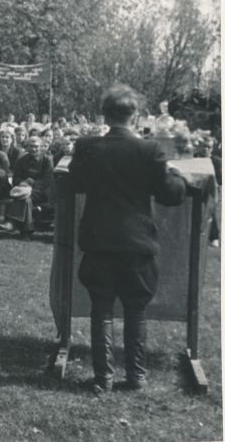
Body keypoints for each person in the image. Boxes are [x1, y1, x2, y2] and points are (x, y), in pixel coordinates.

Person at [68, 83, 186, 394]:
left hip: (98, 239)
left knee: (101, 309)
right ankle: (136, 376)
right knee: (136, 310)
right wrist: (173, 173)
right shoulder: (150, 150)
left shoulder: (87, 146)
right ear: (134, 115)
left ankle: (102, 378)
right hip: (136, 242)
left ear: (105, 114)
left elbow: (74, 181)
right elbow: (171, 195)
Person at [0, 137, 54, 237]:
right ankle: (27, 231)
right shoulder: (22, 160)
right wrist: (23, 182)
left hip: (41, 191)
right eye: (31, 146)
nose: (33, 149)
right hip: (23, 189)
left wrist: (32, 183)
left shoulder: (46, 160)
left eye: (36, 146)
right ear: (27, 147)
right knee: (26, 199)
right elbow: (15, 178)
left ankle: (12, 223)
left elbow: (47, 180)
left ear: (41, 147)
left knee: (24, 197)